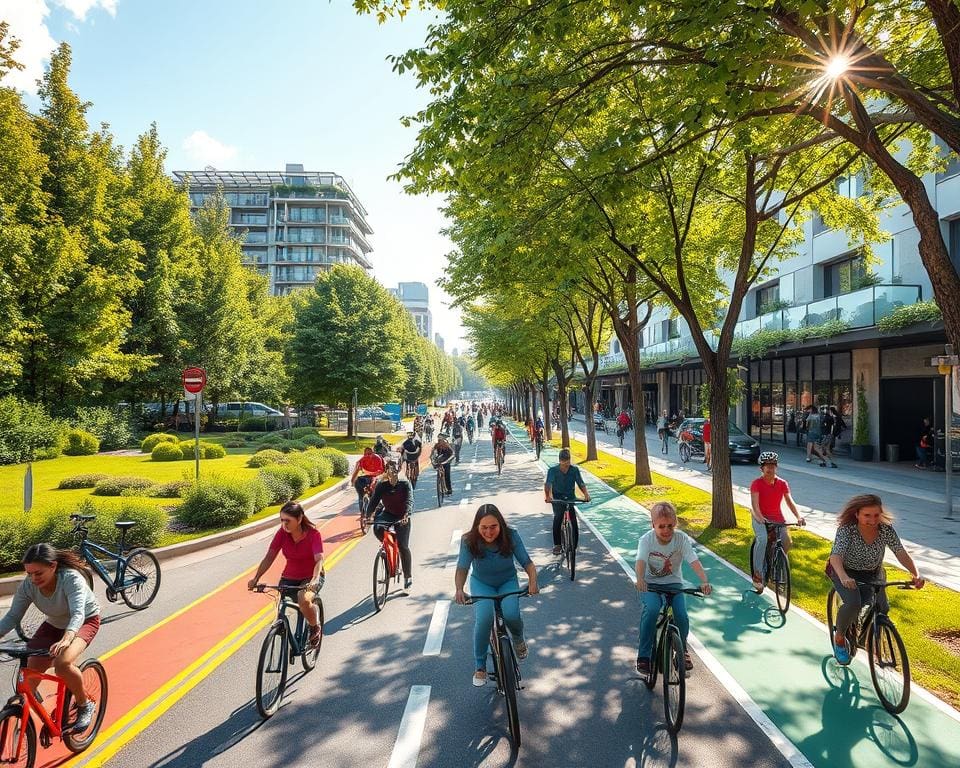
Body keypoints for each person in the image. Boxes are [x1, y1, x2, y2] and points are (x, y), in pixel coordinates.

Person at [0, 544, 101, 730]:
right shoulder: (28, 585)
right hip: (55, 623)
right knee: (30, 676)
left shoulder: (71, 579)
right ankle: (44, 718)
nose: (33, 579)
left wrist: (68, 637)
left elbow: (78, 613)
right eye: (29, 574)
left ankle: (83, 705)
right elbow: (12, 617)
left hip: (85, 621)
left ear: (53, 566)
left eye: (38, 573)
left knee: (62, 663)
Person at [827, 494, 924, 664]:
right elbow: (836, 557)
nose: (872, 520)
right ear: (857, 514)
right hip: (845, 572)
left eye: (876, 515)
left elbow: (900, 552)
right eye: (867, 515)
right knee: (854, 604)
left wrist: (916, 573)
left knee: (882, 608)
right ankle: (840, 638)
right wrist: (843, 577)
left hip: (874, 573)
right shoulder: (847, 529)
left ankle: (869, 637)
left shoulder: (885, 529)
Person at [454, 504, 539, 686]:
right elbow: (462, 568)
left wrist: (533, 581)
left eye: (493, 526)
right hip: (481, 584)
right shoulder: (469, 541)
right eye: (484, 527)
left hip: (507, 582)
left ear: (500, 524)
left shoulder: (511, 535)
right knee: (484, 618)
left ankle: (518, 639)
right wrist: (459, 588)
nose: (489, 532)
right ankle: (480, 666)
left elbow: (528, 563)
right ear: (477, 526)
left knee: (511, 614)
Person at [635, 502, 712, 675]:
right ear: (653, 525)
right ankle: (644, 656)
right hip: (650, 585)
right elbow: (640, 561)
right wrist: (640, 579)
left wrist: (704, 581)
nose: (666, 530)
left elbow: (693, 560)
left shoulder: (681, 539)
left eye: (670, 525)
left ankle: (682, 651)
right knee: (653, 609)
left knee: (682, 615)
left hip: (674, 584)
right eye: (661, 526)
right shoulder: (646, 540)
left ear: (675, 524)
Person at [248, 501, 325, 648]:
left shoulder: (314, 534)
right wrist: (256, 578)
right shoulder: (282, 533)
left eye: (287, 520)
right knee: (282, 605)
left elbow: (319, 559)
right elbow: (269, 557)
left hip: (311, 576)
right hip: (289, 576)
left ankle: (314, 626)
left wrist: (315, 579)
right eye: (282, 520)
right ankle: (282, 629)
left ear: (300, 518)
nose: (284, 524)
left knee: (303, 599)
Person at [750, 451, 805, 592]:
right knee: (762, 540)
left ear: (776, 467)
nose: (770, 468)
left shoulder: (782, 483)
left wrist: (798, 516)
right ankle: (757, 574)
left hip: (778, 518)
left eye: (773, 465)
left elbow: (790, 501)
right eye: (767, 466)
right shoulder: (756, 484)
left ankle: (777, 568)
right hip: (760, 517)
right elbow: (755, 505)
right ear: (761, 468)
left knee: (786, 542)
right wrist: (761, 518)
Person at [368, 460, 415, 590]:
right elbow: (373, 502)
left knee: (403, 546)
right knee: (377, 527)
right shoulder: (381, 485)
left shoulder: (404, 483)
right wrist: (368, 516)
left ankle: (408, 577)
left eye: (394, 469)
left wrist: (407, 514)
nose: (392, 472)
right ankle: (387, 549)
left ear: (398, 470)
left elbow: (410, 500)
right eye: (389, 470)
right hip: (388, 514)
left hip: (402, 516)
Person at [544, 448, 592, 555]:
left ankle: (574, 545)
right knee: (558, 518)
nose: (566, 464)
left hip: (570, 498)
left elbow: (581, 483)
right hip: (558, 499)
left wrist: (586, 495)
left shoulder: (574, 470)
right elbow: (548, 485)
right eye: (564, 462)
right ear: (560, 461)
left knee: (574, 521)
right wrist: (548, 497)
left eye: (568, 461)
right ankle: (557, 545)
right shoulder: (552, 471)